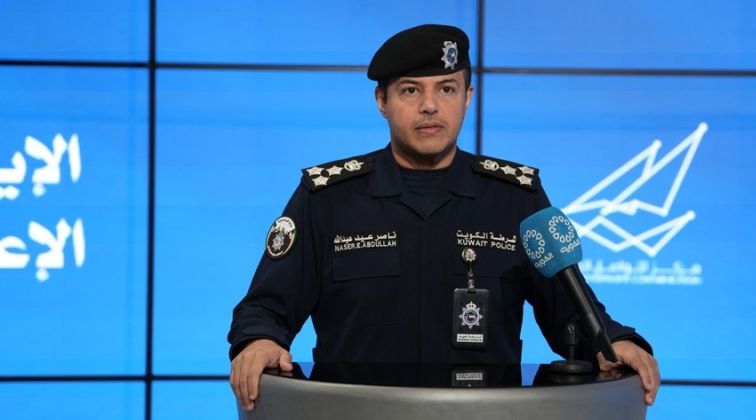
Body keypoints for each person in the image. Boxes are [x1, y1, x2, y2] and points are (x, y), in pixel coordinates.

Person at [228, 23, 660, 411]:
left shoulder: (515, 198)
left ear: (468, 97)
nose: (430, 106)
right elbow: (266, 307)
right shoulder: (327, 199)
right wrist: (259, 341)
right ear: (381, 101)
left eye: (447, 89)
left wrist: (613, 340)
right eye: (410, 91)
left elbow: (572, 313)